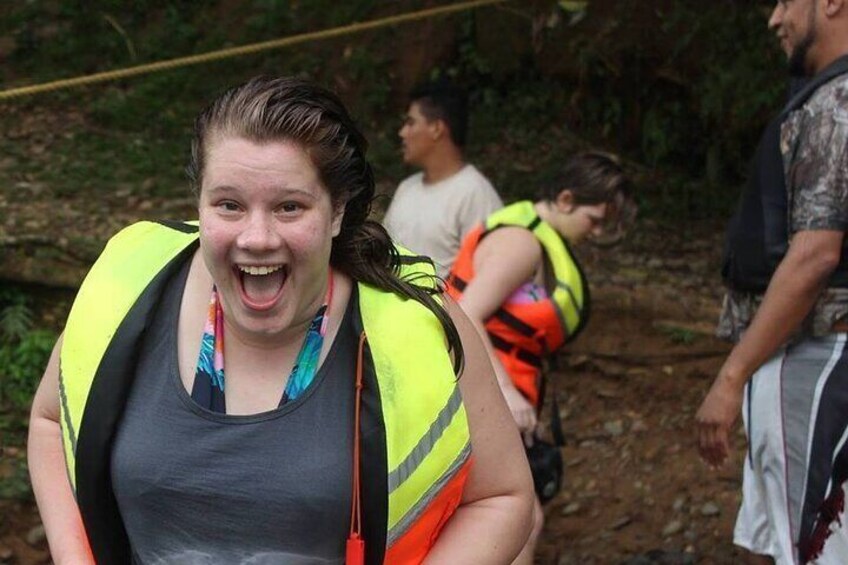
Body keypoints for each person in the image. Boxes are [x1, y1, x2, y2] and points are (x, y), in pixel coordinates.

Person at [27, 76, 535, 564]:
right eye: (228, 205)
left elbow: (502, 498)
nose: (256, 237)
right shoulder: (131, 282)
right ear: (198, 204)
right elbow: (51, 420)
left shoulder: (417, 319)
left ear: (337, 211)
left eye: (289, 207)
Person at [696, 1, 848, 563]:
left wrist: (731, 376)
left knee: (809, 548)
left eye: (787, 1)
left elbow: (814, 254)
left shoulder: (838, 101)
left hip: (816, 353)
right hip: (806, 356)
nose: (774, 19)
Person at [445, 151, 631, 564]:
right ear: (565, 199)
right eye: (594, 220)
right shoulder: (521, 242)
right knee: (520, 522)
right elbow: (467, 311)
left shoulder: (539, 241)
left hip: (498, 399)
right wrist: (507, 393)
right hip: (475, 399)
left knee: (516, 521)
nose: (595, 233)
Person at [382, 80, 502, 278]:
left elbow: (489, 277)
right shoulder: (407, 188)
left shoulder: (475, 194)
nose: (402, 133)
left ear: (437, 128)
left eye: (411, 122)